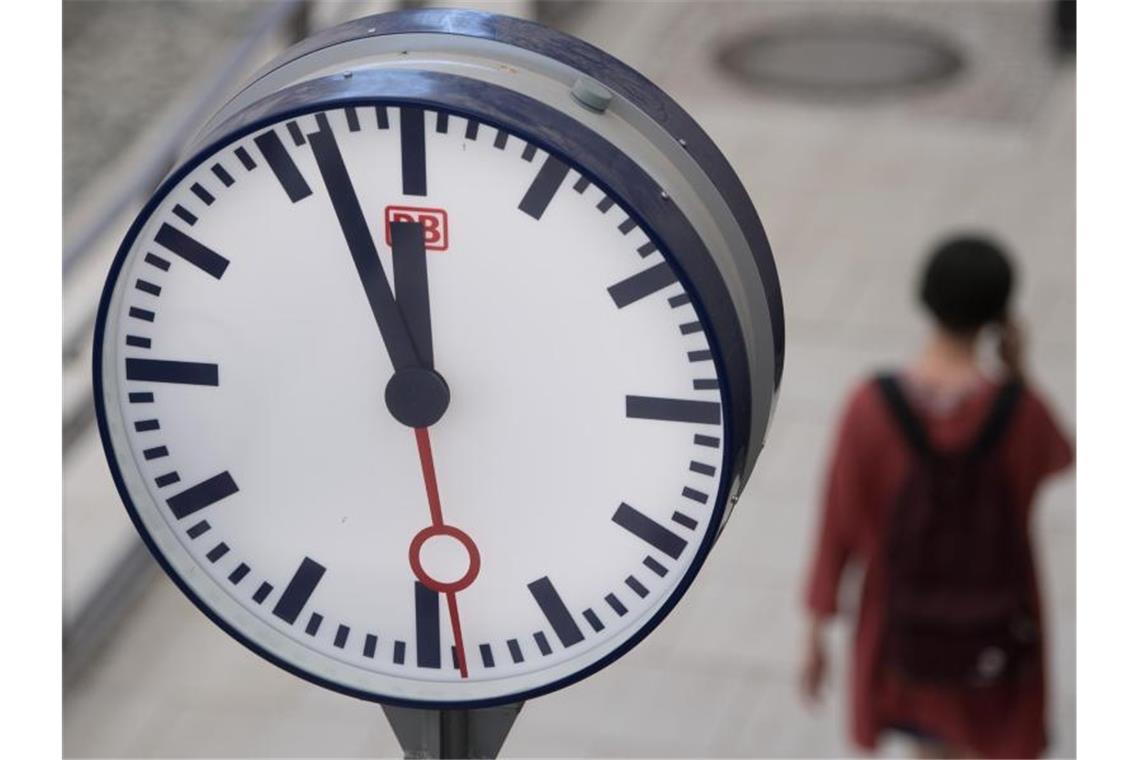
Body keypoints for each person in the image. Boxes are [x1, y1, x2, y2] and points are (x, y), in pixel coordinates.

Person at [800, 235, 1074, 758]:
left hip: (904, 637)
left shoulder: (870, 408)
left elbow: (837, 525)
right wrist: (1016, 372)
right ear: (999, 315)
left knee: (927, 746)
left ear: (924, 298)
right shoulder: (1020, 414)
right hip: (997, 635)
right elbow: (1061, 456)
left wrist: (815, 630)